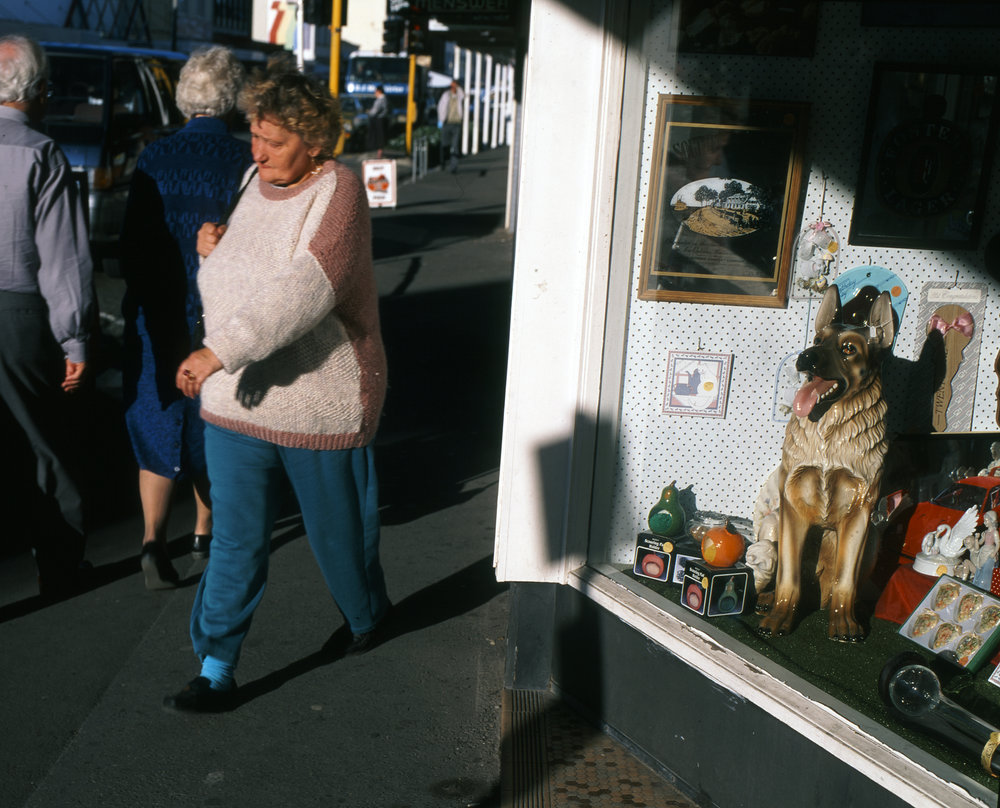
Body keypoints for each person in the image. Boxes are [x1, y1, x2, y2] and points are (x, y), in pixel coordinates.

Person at [163, 58, 391, 713]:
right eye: (255, 135)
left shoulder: (339, 191)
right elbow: (244, 273)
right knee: (235, 540)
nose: (258, 151)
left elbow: (305, 290)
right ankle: (215, 666)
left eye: (275, 140)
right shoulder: (250, 179)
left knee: (340, 541)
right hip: (236, 402)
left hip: (318, 403)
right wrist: (214, 253)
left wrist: (216, 351)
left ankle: (367, 614)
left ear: (316, 141)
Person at [119, 46, 253, 590]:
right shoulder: (246, 160)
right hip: (216, 315)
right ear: (233, 98)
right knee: (209, 419)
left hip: (157, 309)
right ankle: (204, 530)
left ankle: (152, 539)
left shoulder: (153, 158)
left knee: (156, 412)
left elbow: (130, 246)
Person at [0, 35, 95, 599]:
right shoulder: (40, 153)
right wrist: (76, 340)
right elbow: (63, 259)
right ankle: (58, 565)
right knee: (42, 443)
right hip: (17, 314)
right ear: (35, 91)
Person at [437, 79, 464, 173]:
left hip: (456, 123)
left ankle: (454, 166)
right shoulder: (445, 95)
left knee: (455, 145)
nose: (453, 88)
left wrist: (458, 87)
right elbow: (441, 107)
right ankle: (442, 162)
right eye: (452, 86)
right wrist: (440, 120)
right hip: (447, 123)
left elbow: (463, 94)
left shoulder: (460, 95)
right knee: (444, 144)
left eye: (455, 86)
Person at [366, 84, 388, 158]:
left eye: (375, 91)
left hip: (379, 120)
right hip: (381, 120)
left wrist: (369, 113)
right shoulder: (384, 99)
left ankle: (379, 153)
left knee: (379, 137)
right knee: (380, 136)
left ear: (379, 91)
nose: (374, 93)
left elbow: (375, 111)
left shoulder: (381, 100)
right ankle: (380, 152)